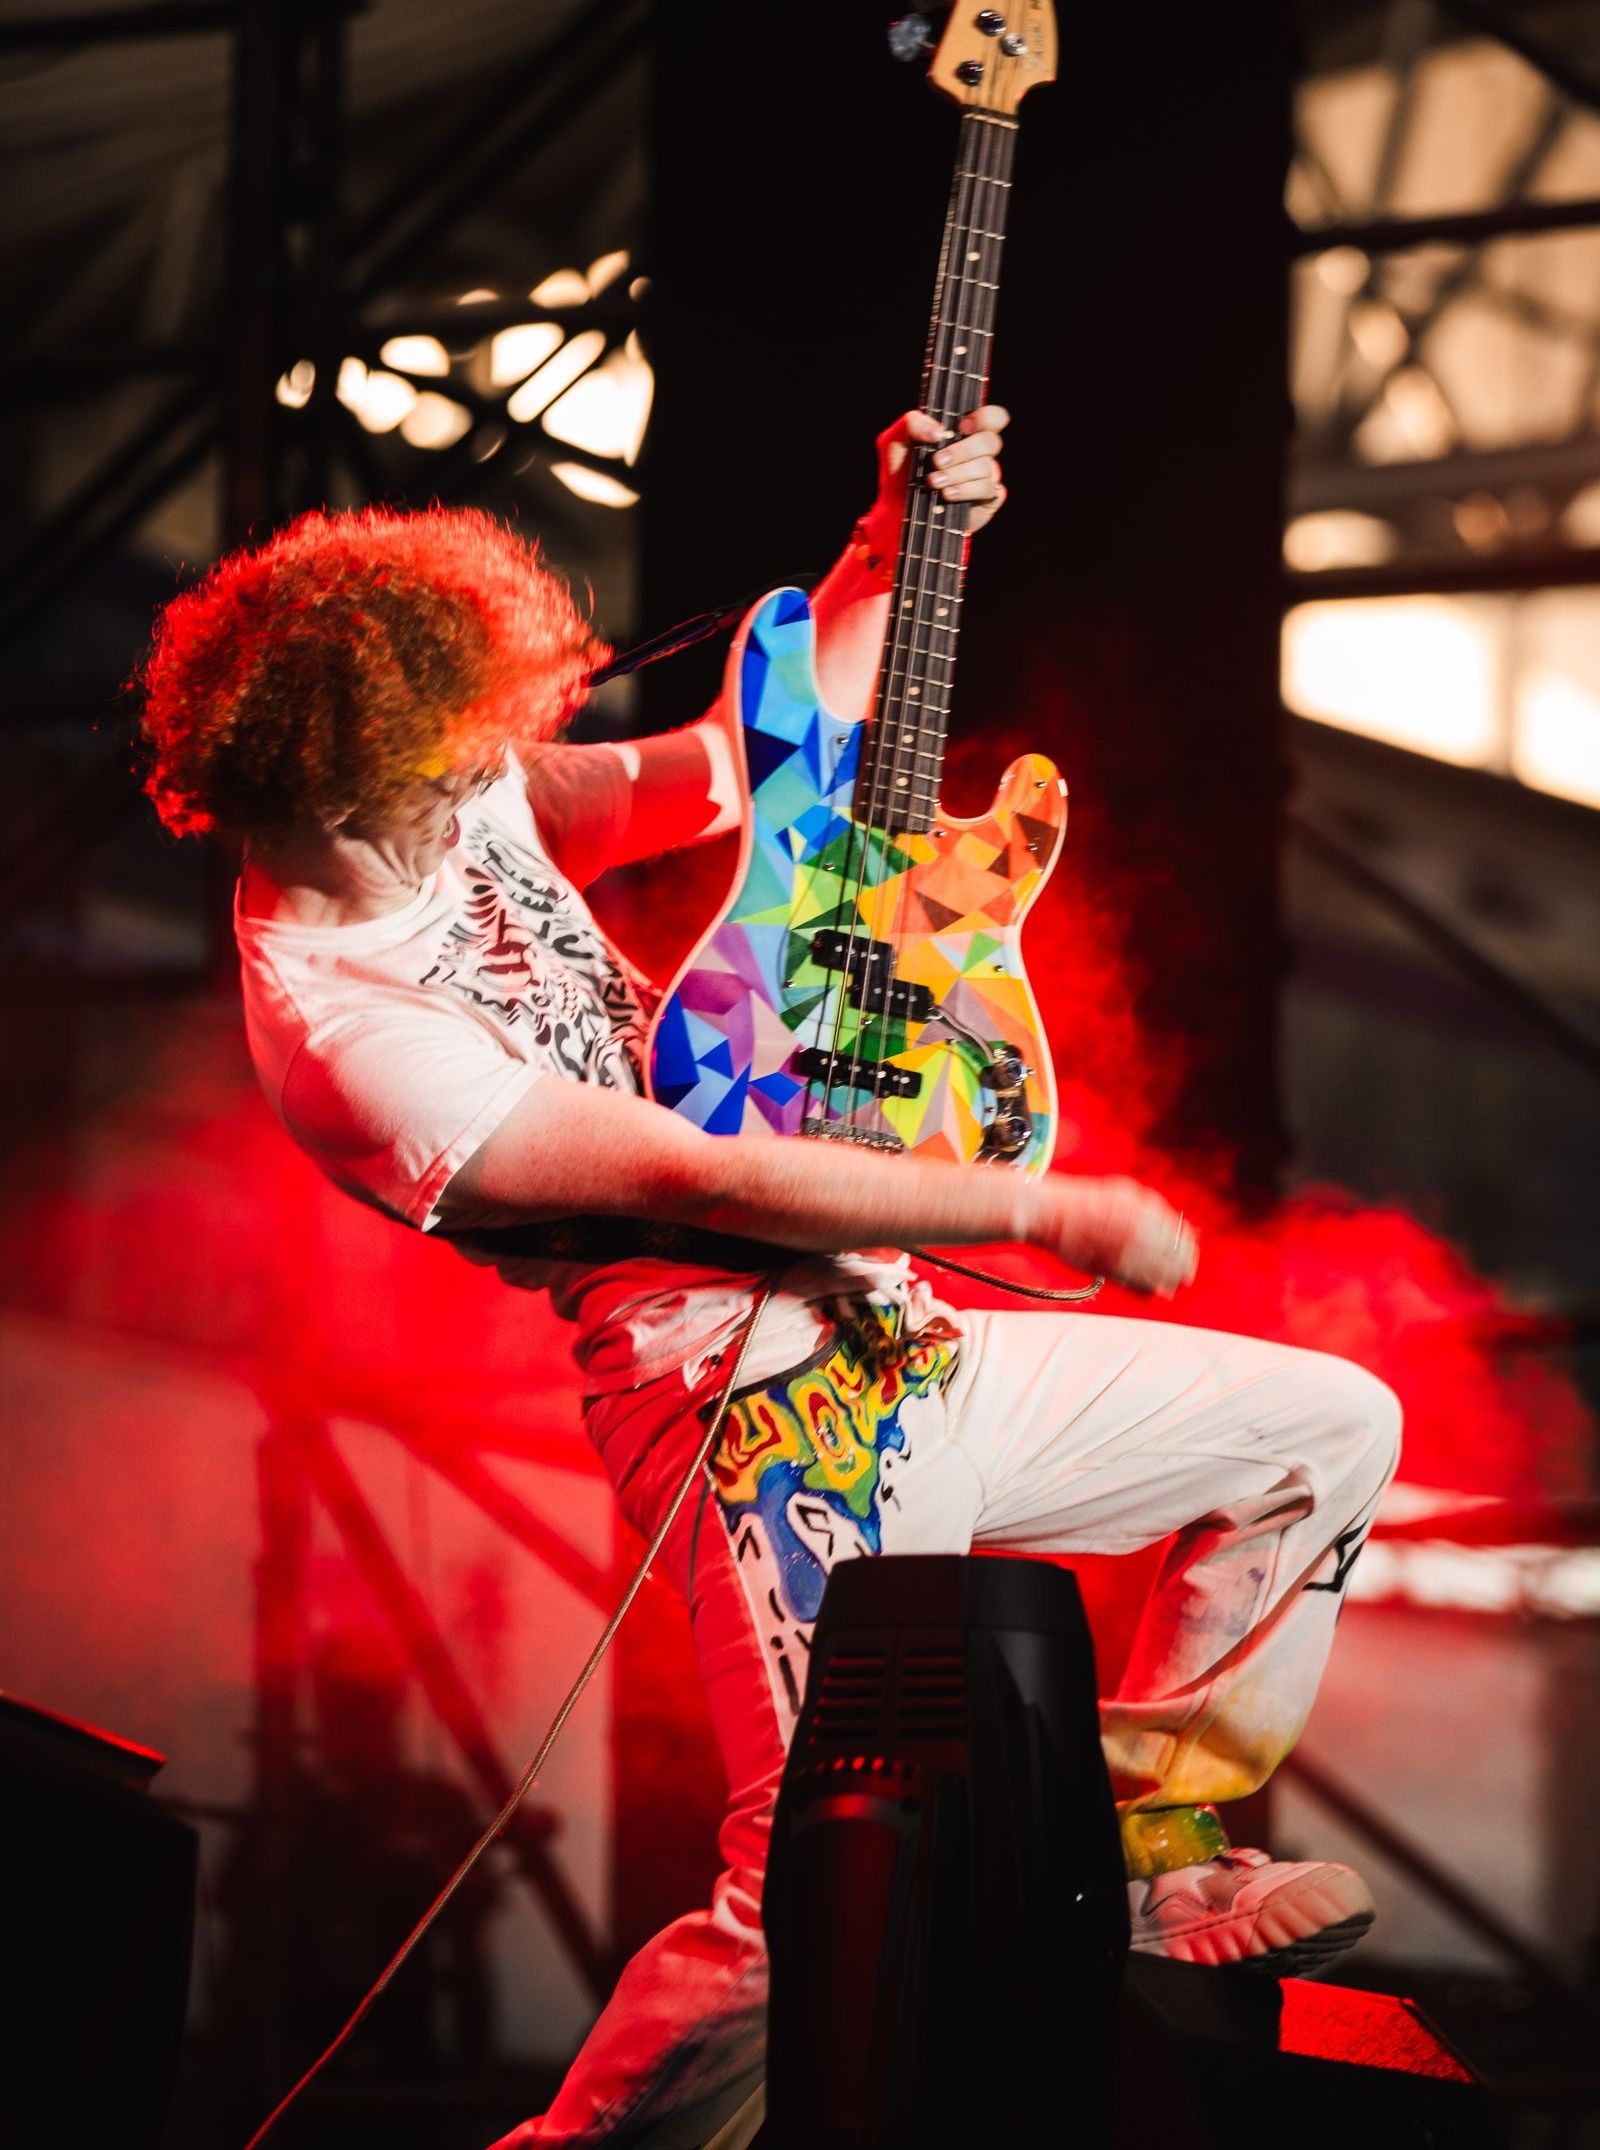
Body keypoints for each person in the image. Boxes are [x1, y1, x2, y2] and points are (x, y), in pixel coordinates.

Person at [136, 405, 1400, 2149]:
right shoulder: (346, 1042)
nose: (489, 783)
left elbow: (744, 765)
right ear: (332, 793)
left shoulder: (459, 787)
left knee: (1328, 1430)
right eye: (448, 771)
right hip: (740, 1402)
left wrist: (893, 545)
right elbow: (706, 1179)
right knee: (811, 1894)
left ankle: (1157, 1844)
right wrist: (1030, 1211)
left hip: (893, 1328)